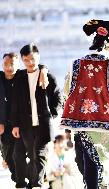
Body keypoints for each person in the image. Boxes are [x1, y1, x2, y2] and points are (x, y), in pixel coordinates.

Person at [61, 19, 109, 189]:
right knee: (104, 164)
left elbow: (66, 93)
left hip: (82, 125)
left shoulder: (76, 64)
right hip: (107, 124)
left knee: (88, 165)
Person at [11, 44, 61, 189]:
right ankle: (33, 183)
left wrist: (52, 113)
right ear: (22, 60)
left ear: (38, 56)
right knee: (32, 156)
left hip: (43, 123)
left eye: (32, 59)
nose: (30, 63)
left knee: (39, 154)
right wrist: (15, 124)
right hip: (26, 124)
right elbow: (15, 103)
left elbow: (59, 97)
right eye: (26, 60)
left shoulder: (48, 77)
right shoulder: (20, 78)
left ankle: (36, 185)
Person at [0, 52, 49, 188]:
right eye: (6, 64)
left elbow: (39, 67)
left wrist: (44, 70)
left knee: (22, 154)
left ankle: (32, 178)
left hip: (22, 124)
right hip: (4, 126)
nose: (9, 67)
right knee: (9, 158)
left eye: (12, 64)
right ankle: (21, 178)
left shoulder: (22, 75)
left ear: (18, 64)